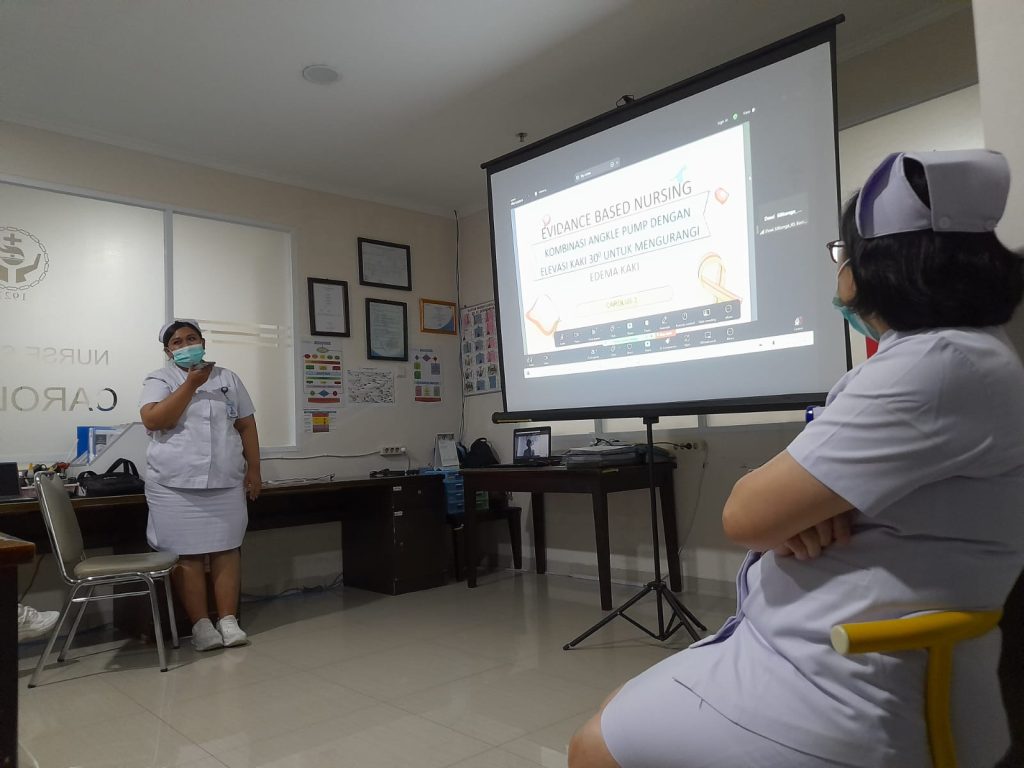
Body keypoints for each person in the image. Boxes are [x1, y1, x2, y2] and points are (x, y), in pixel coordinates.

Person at [569, 150, 1024, 768]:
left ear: (878, 266)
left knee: (593, 747)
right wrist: (795, 508)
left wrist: (787, 509)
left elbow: (746, 516)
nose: (840, 272)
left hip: (844, 681)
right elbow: (779, 505)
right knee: (618, 707)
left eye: (842, 254)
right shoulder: (952, 356)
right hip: (807, 646)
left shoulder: (938, 364)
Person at [140, 319, 262, 652]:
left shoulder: (228, 378)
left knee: (227, 549)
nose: (186, 345)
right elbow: (154, 419)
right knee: (187, 554)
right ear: (168, 351)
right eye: (177, 342)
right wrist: (191, 384)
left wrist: (254, 470)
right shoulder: (160, 379)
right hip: (175, 484)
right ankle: (201, 625)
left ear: (203, 342)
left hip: (225, 480)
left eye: (191, 338)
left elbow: (246, 425)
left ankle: (228, 620)